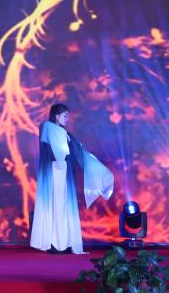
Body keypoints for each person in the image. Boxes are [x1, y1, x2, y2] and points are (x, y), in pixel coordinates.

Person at [29, 103, 114, 254]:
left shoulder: (62, 132)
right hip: (55, 171)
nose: (67, 119)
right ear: (56, 116)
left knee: (63, 206)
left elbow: (74, 150)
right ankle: (55, 243)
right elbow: (59, 151)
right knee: (56, 205)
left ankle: (64, 242)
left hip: (62, 171)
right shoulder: (49, 127)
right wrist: (63, 152)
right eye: (65, 116)